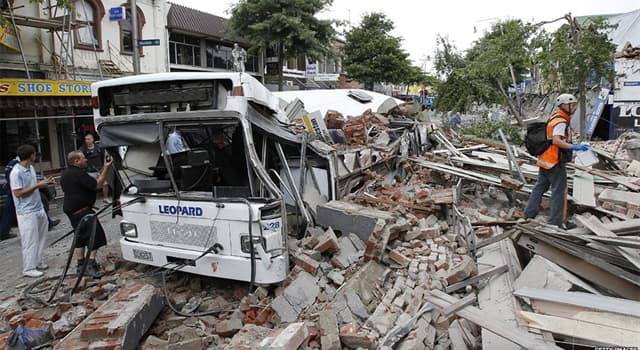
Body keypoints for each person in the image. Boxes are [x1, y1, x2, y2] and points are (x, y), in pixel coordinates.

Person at [525, 93, 590, 229]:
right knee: (558, 191)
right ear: (565, 106)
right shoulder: (561, 121)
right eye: (573, 105)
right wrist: (575, 147)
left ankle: (529, 214)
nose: (575, 107)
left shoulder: (555, 117)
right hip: (555, 161)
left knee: (540, 187)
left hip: (545, 159)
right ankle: (556, 222)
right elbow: (556, 140)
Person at [60, 150, 112, 278]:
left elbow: (76, 190)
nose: (86, 160)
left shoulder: (66, 173)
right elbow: (98, 184)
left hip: (73, 211)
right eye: (83, 158)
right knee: (96, 236)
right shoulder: (78, 174)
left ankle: (80, 265)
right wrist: (106, 167)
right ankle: (90, 264)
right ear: (77, 161)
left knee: (80, 238)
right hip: (82, 211)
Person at [9, 145, 55, 277]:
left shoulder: (31, 168)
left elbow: (34, 185)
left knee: (41, 236)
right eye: (35, 154)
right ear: (31, 156)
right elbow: (18, 193)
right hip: (26, 212)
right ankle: (28, 268)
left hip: (38, 207)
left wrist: (45, 183)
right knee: (30, 240)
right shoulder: (16, 172)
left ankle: (38, 261)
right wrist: (37, 186)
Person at [80, 133, 109, 203]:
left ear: (92, 139)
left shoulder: (98, 147)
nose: (87, 141)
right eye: (86, 139)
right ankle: (91, 201)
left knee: (105, 184)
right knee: (91, 187)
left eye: (89, 139)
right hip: (89, 170)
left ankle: (106, 198)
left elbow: (104, 157)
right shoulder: (82, 149)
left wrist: (104, 167)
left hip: (100, 169)